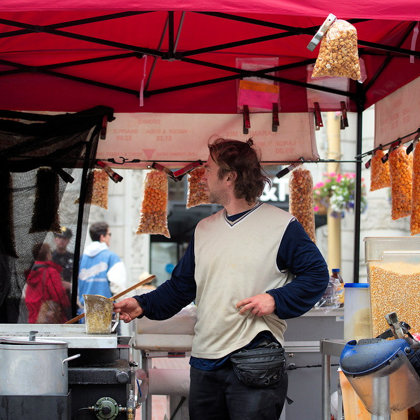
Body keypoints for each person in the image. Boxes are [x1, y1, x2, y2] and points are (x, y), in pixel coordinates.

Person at [114, 137, 329, 420]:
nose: (202, 176)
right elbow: (181, 287)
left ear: (230, 176)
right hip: (205, 362)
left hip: (254, 360)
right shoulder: (204, 229)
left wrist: (275, 299)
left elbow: (317, 275)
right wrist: (142, 304)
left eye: (208, 168)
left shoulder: (282, 226)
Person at [78, 222, 127, 314]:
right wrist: (122, 307)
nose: (110, 237)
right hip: (105, 314)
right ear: (102, 237)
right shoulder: (112, 258)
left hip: (85, 312)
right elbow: (117, 285)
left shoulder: (81, 258)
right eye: (109, 234)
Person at [25, 242, 70, 323]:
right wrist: (67, 304)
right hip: (49, 317)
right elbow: (58, 294)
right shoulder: (50, 272)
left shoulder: (32, 272)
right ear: (47, 255)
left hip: (34, 317)